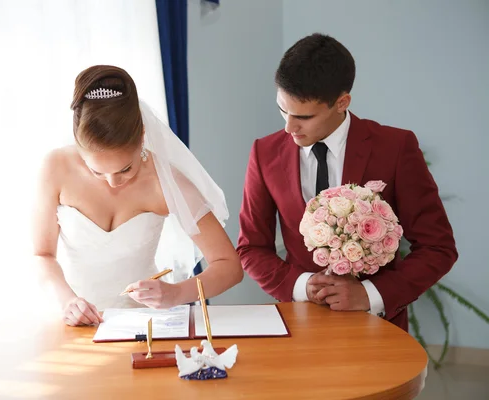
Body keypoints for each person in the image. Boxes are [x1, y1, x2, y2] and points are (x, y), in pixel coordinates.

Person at [237, 33, 457, 331]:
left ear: (342, 102)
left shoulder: (395, 147)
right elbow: (251, 248)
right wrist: (301, 286)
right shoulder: (264, 153)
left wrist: (369, 294)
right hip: (298, 324)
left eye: (304, 116)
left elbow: (437, 246)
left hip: (378, 326)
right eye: (282, 110)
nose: (289, 127)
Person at [32, 65, 243, 326]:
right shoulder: (56, 168)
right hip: (71, 323)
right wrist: (67, 301)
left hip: (145, 324)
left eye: (125, 169)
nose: (113, 182)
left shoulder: (165, 181)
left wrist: (176, 293)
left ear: (142, 137)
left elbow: (229, 266)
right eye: (97, 171)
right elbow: (42, 254)